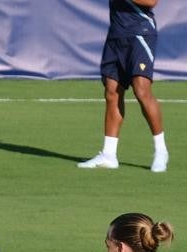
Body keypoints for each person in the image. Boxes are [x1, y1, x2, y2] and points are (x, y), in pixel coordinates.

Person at [77, 0, 168, 173]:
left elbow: (151, 1)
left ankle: (161, 151)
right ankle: (109, 155)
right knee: (112, 92)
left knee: (141, 90)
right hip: (116, 35)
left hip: (140, 33)